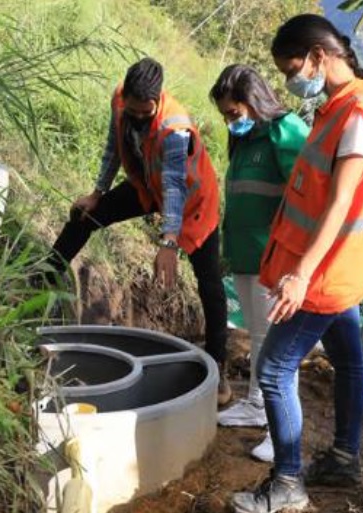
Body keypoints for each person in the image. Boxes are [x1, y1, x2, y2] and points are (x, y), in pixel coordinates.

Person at [231, 14, 363, 513]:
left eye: (292, 67)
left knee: (275, 370)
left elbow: (339, 206)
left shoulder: (357, 115)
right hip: (337, 270)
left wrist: (300, 274)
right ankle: (343, 459)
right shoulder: (337, 107)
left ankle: (288, 481)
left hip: (324, 273)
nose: (288, 80)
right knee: (348, 359)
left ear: (320, 57)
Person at [47, 58, 232, 404]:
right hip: (148, 183)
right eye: (132, 112)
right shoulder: (121, 101)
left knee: (209, 283)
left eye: (144, 115)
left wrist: (169, 242)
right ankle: (43, 274)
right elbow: (112, 149)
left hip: (193, 200)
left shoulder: (175, 128)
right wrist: (97, 193)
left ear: (157, 100)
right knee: (86, 216)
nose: (137, 119)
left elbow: (176, 188)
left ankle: (219, 372)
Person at [209, 65, 310, 463]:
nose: (229, 122)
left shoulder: (286, 132)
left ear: (254, 102)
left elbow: (306, 198)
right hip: (247, 254)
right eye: (225, 116)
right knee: (257, 335)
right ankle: (254, 403)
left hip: (277, 258)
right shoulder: (247, 137)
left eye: (233, 113)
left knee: (276, 346)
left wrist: (297, 263)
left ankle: (280, 428)